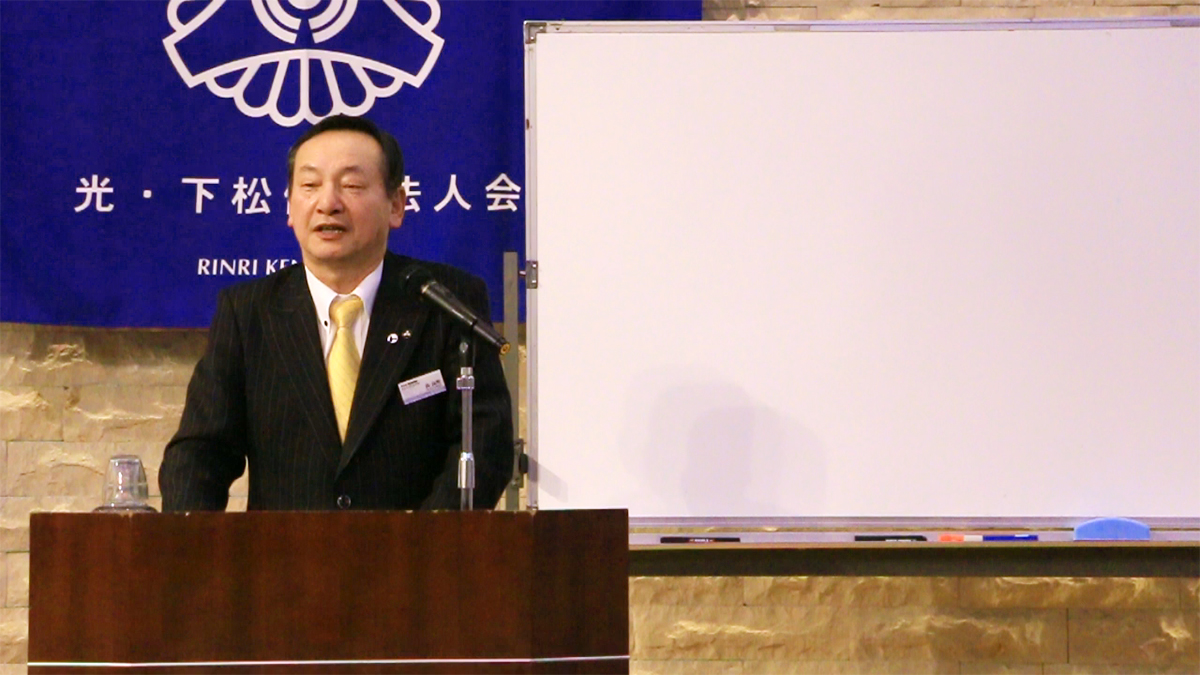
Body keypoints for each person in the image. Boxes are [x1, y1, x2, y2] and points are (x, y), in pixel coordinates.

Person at [160, 115, 513, 511]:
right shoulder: (248, 313)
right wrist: (189, 539)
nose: (328, 203)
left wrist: (423, 540)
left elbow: (485, 443)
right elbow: (201, 453)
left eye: (352, 186)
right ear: (290, 207)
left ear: (396, 205)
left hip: (418, 548)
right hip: (284, 550)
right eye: (310, 186)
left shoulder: (444, 301)